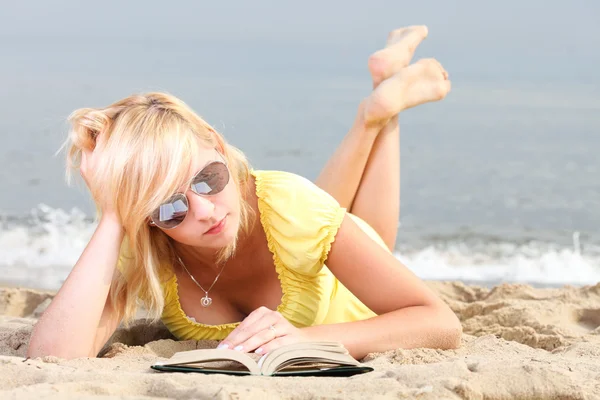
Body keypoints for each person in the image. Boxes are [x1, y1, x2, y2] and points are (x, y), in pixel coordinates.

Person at [27, 26, 461, 360]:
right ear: (146, 218)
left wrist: (303, 339)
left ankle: (379, 113)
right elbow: (53, 358)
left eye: (209, 179)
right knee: (308, 213)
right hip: (299, 231)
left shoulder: (291, 206)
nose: (204, 210)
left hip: (334, 280)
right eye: (170, 207)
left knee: (364, 234)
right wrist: (112, 215)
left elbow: (441, 322)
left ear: (216, 144)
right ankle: (380, 95)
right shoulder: (143, 246)